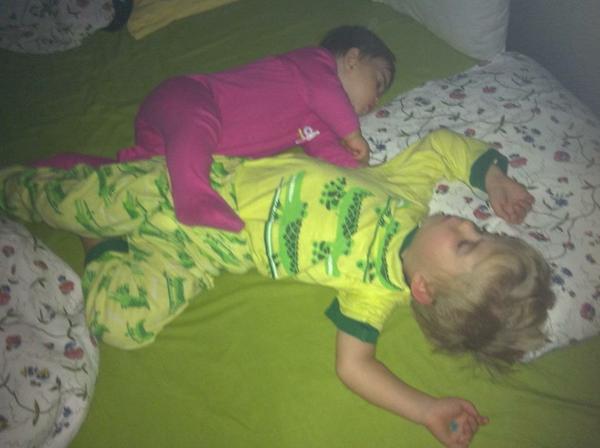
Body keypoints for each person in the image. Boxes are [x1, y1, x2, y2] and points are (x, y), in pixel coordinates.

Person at [0, 129, 555, 447]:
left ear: (424, 289)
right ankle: (51, 192)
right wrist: (494, 178)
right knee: (54, 198)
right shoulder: (406, 194)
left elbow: (355, 367)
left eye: (467, 245)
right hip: (198, 188)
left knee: (120, 323)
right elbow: (440, 147)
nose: (467, 224)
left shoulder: (374, 293)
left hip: (206, 252)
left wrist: (426, 408)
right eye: (482, 231)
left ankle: (99, 237)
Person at [36, 25, 396, 233]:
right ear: (352, 59)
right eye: (378, 82)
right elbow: (326, 94)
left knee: (129, 173)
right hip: (186, 98)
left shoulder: (315, 121)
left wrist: (366, 175)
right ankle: (193, 198)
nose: (377, 99)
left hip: (181, 148)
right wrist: (353, 134)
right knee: (199, 124)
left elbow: (327, 151)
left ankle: (57, 167)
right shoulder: (313, 64)